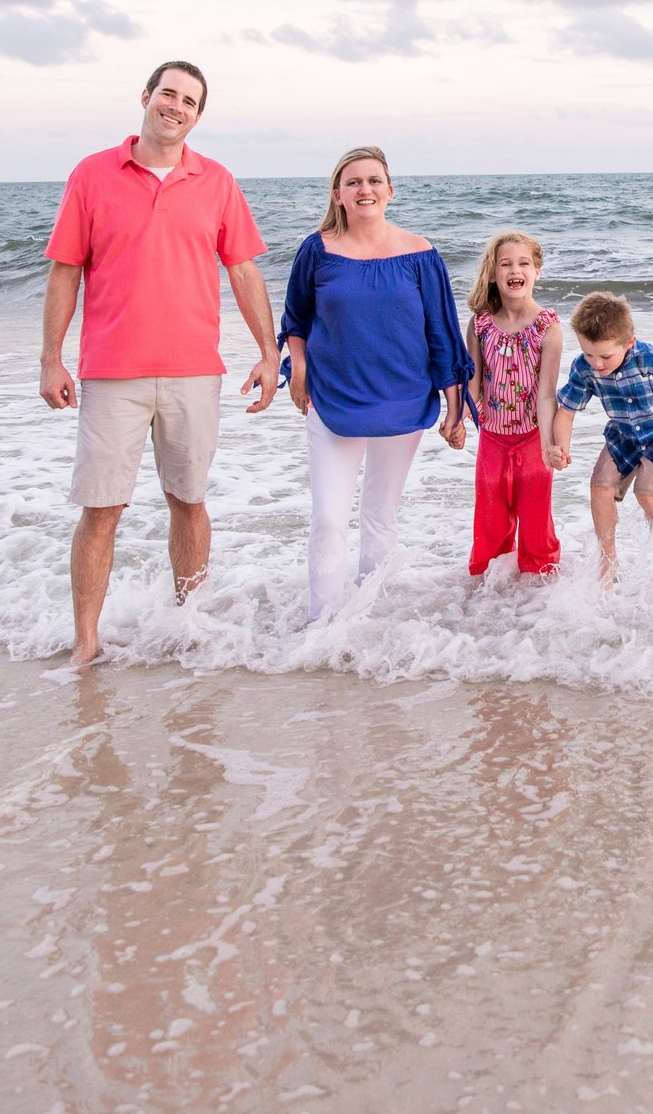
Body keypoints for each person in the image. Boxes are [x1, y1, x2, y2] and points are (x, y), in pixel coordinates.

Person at [40, 60, 279, 669]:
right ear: (146, 96)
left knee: (189, 500)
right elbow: (66, 269)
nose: (175, 106)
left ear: (197, 116)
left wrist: (269, 351)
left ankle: (188, 622)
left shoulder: (217, 181)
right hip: (110, 372)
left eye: (189, 102)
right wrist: (51, 357)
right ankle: (86, 641)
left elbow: (244, 269)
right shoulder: (92, 175)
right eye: (167, 94)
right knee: (102, 509)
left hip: (194, 371)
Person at [279, 146, 472, 622]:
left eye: (372, 181)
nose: (364, 189)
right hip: (332, 399)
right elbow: (295, 319)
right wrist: (297, 370)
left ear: (389, 191)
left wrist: (455, 407)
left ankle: (369, 616)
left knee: (380, 515)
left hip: (403, 399)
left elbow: (442, 332)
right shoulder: (317, 249)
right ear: (339, 194)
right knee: (327, 518)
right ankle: (320, 625)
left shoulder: (421, 253)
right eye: (353, 182)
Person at [550, 291, 653, 585]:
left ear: (629, 342)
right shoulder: (584, 367)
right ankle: (608, 559)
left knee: (646, 491)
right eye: (588, 353)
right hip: (624, 434)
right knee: (599, 485)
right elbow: (567, 411)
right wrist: (561, 448)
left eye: (605, 356)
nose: (597, 363)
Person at [465, 230, 563, 579]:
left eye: (523, 263)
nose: (514, 270)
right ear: (493, 273)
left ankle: (538, 590)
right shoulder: (480, 324)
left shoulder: (546, 327)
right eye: (505, 264)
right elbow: (473, 385)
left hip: (533, 438)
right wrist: (457, 419)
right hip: (492, 437)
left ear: (537, 270)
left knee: (536, 521)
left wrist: (551, 444)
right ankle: (486, 588)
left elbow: (548, 392)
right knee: (490, 519)